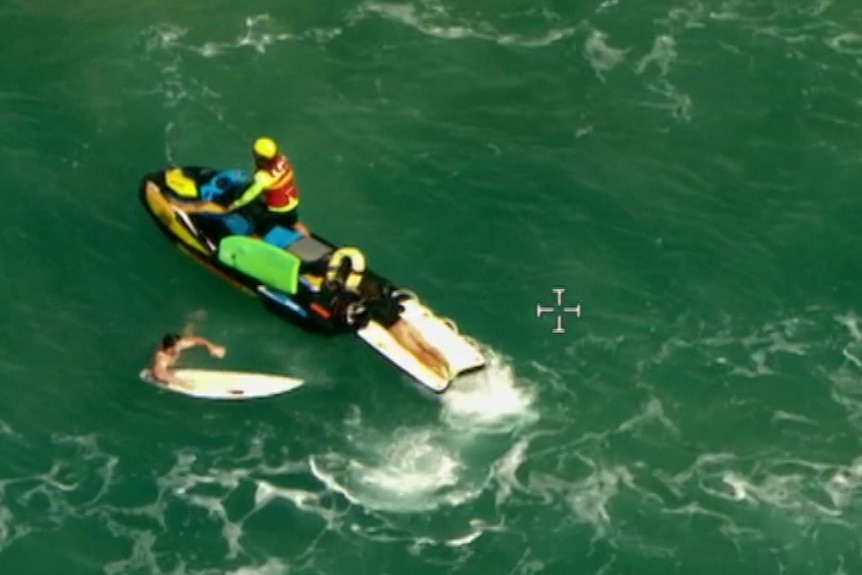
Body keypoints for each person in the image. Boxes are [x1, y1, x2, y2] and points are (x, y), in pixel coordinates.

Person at [344, 285, 452, 380]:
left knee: (418, 352)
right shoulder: (387, 299)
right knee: (427, 346)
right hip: (405, 323)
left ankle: (440, 374)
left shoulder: (371, 307)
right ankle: (447, 366)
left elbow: (364, 320)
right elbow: (400, 308)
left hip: (397, 330)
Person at [226, 137, 310, 237]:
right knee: (294, 223)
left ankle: (253, 246)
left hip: (277, 209)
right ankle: (309, 241)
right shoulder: (282, 159)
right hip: (292, 200)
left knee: (257, 233)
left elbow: (252, 193)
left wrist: (236, 204)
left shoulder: (263, 176)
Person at [151, 332, 226, 385]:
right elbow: (159, 374)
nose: (181, 346)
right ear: (169, 349)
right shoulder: (162, 358)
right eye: (178, 346)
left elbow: (198, 340)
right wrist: (181, 382)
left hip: (172, 356)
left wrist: (211, 347)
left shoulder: (178, 345)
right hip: (169, 366)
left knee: (188, 332)